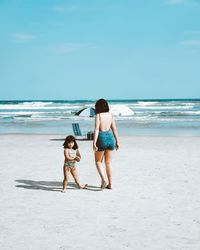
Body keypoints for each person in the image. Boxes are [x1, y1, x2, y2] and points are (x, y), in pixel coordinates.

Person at [93, 99, 120, 190]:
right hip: (110, 137)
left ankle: (104, 179)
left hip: (101, 137)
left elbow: (96, 129)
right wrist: (117, 141)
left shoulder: (98, 115)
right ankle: (110, 184)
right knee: (108, 163)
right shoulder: (111, 115)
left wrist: (94, 142)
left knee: (98, 161)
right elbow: (114, 129)